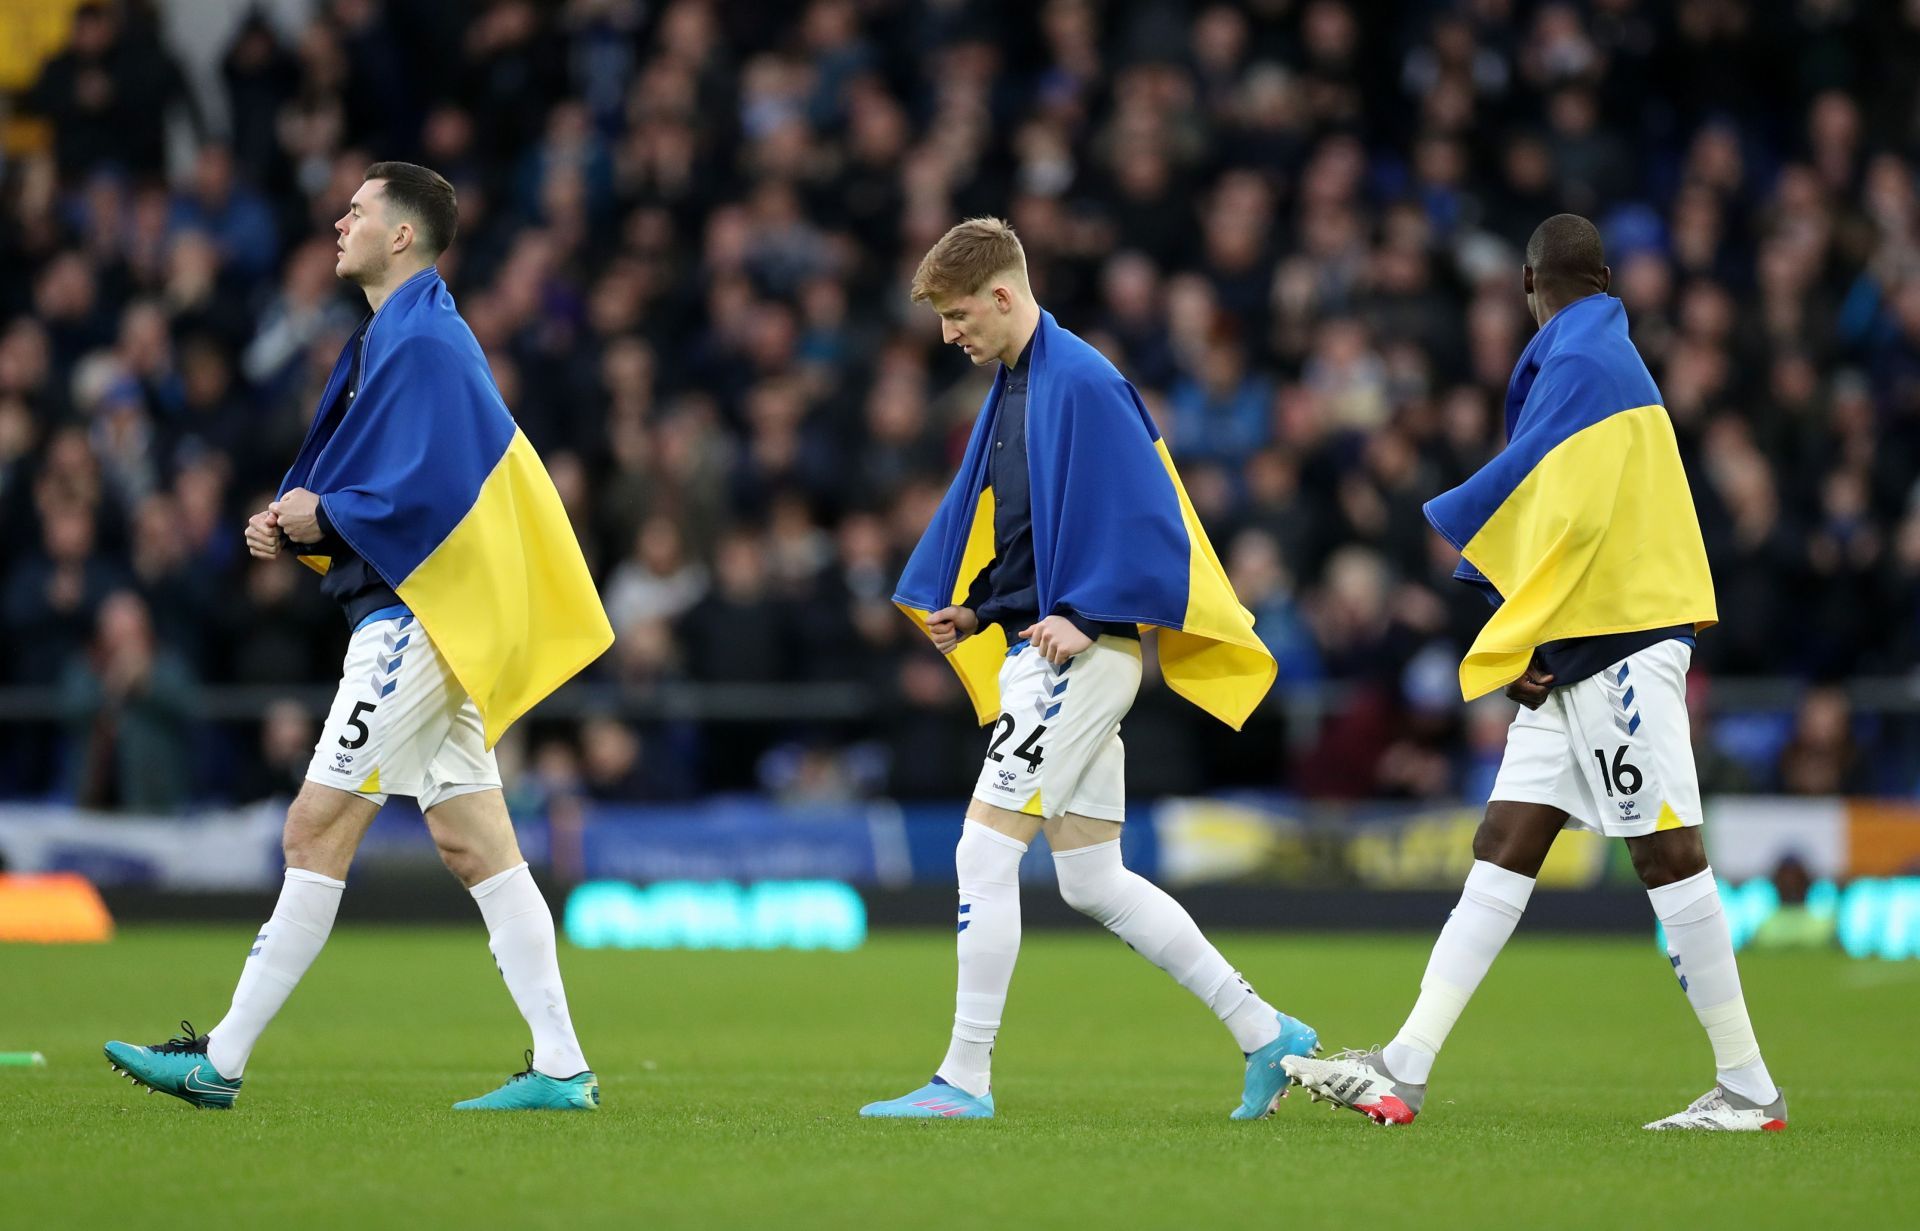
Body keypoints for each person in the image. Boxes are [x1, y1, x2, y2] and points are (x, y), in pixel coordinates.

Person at [104, 163, 614, 1112]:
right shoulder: (408, 334)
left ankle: (219, 1060)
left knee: (314, 826)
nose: (339, 222)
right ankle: (561, 1067)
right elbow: (413, 480)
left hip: (416, 623)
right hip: (429, 618)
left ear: (404, 236)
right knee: (475, 845)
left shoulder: (421, 341)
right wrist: (305, 517)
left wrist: (321, 512)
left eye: (359, 211)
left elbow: (429, 492)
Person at [1282, 215, 1786, 1132]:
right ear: (1603, 278)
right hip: (1584, 648)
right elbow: (1573, 512)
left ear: (1527, 286)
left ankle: (1749, 1085)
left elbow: (1545, 504)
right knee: (1505, 841)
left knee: (1666, 852)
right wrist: (1532, 639)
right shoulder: (1602, 358)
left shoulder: (1582, 367)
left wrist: (1512, 618)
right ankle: (1406, 1065)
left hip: (1619, 643)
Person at [864, 218, 1315, 1121]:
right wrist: (986, 605)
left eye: (957, 316)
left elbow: (1150, 518)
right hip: (1049, 642)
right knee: (1092, 879)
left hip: (1077, 654)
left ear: (1002, 295)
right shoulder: (1023, 384)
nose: (950, 336)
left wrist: (1088, 613)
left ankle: (964, 1080)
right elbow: (1039, 533)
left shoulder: (1085, 382)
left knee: (981, 852)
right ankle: (1268, 1032)